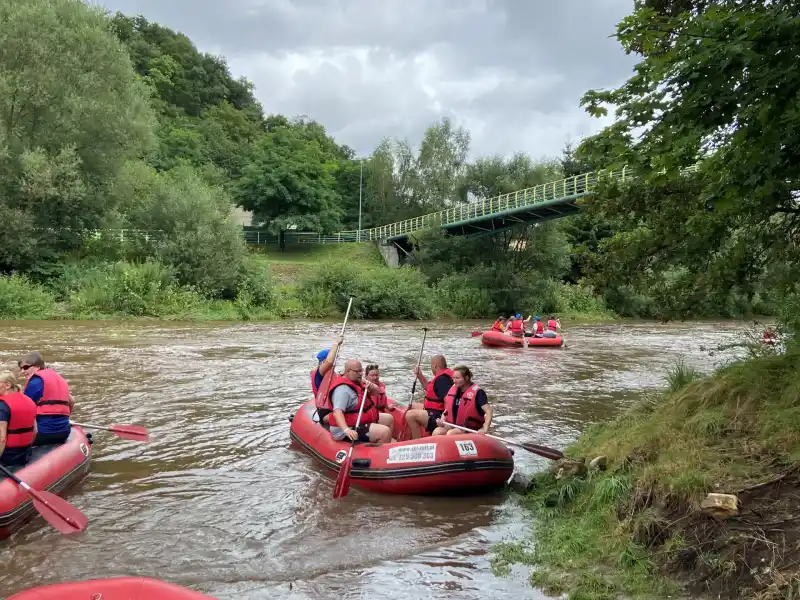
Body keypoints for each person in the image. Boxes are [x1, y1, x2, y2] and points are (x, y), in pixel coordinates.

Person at [327, 360, 392, 443]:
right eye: (357, 371)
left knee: (389, 419)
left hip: (359, 418)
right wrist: (347, 430)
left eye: (361, 370)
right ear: (347, 371)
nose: (360, 374)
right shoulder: (342, 390)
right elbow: (337, 412)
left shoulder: (357, 381)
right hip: (345, 428)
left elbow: (376, 392)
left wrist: (372, 386)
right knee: (385, 432)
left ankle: (388, 445)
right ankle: (381, 452)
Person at [18, 352, 73, 446]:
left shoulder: (34, 383)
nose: (22, 371)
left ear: (37, 367)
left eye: (26, 367)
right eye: (21, 368)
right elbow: (72, 402)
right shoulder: (59, 379)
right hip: (64, 432)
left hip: (42, 434)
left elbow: (22, 410)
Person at [433, 365, 493, 436]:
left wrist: (485, 428)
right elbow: (447, 411)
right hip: (454, 426)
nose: (454, 381)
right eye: (453, 378)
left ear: (466, 378)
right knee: (437, 431)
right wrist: (442, 420)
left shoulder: (478, 393)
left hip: (469, 429)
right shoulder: (453, 390)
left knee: (451, 433)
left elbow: (489, 411)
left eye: (458, 378)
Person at [404, 355, 454, 440]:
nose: (431, 368)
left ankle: (417, 442)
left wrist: (445, 419)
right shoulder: (442, 377)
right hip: (436, 410)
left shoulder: (442, 380)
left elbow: (448, 401)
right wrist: (420, 376)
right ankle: (409, 437)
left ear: (435, 366)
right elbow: (429, 388)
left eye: (431, 366)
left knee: (410, 415)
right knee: (412, 405)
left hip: (439, 415)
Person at [0, 371, 37, 468]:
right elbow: (35, 431)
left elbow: (2, 439)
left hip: (7, 457)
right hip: (26, 454)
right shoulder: (30, 401)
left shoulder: (2, 406)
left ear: (7, 385)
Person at [365, 364, 395, 432]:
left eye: (376, 375)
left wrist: (388, 407)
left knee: (389, 419)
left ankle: (389, 440)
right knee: (389, 418)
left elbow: (383, 399)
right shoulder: (365, 387)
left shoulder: (382, 385)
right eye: (372, 375)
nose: (375, 377)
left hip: (380, 412)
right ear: (366, 376)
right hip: (370, 414)